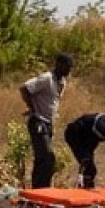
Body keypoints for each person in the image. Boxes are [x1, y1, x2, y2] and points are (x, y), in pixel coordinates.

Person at [21, 53, 74, 188]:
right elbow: (25, 88)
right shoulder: (46, 78)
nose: (69, 70)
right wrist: (32, 108)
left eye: (70, 67)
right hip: (38, 121)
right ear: (58, 64)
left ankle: (41, 190)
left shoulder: (62, 82)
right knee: (47, 156)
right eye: (67, 67)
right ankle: (39, 190)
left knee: (43, 160)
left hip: (48, 124)